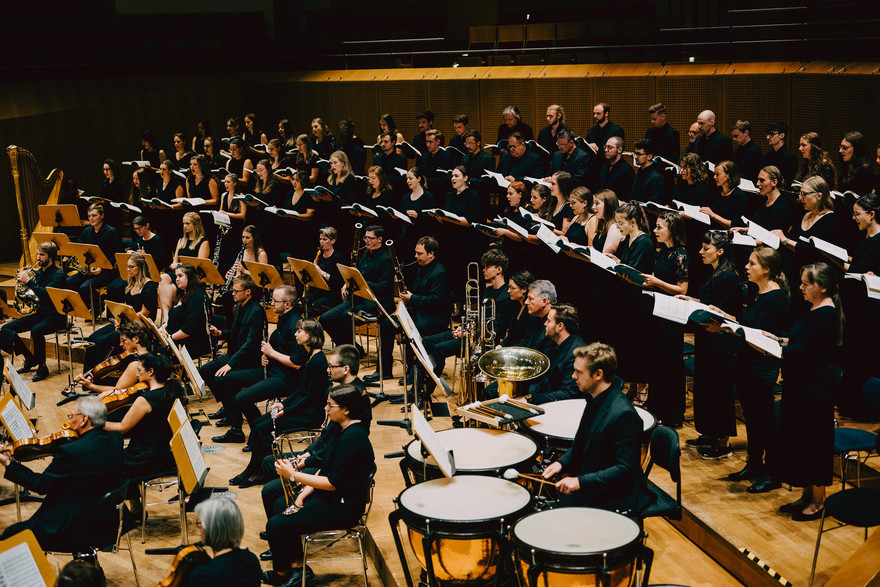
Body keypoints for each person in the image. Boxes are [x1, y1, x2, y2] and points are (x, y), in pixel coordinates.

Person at [263, 384, 374, 587]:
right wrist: (303, 495)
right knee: (280, 504)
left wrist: (294, 475)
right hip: (332, 497)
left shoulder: (353, 438)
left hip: (344, 507)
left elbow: (332, 483)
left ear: (346, 409)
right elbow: (325, 469)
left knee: (275, 524)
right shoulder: (343, 430)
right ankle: (297, 567)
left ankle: (282, 574)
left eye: (330, 405)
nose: (325, 408)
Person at [707, 247, 789, 493]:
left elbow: (757, 334)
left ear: (766, 269)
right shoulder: (758, 292)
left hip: (762, 366)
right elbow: (749, 324)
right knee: (752, 419)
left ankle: (773, 473)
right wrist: (724, 316)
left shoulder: (776, 297)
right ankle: (754, 464)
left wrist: (724, 327)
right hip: (746, 363)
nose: (746, 267)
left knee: (765, 421)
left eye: (752, 264)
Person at [541, 343, 654, 514]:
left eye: (579, 372)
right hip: (594, 483)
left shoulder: (623, 415)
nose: (573, 376)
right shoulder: (594, 398)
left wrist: (580, 482)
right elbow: (581, 444)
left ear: (598, 374)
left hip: (617, 495)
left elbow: (624, 469)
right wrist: (560, 463)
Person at [0, 396, 124, 552]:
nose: (69, 422)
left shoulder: (71, 452)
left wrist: (7, 463)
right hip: (107, 524)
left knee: (11, 535)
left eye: (71, 417)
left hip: (72, 528)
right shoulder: (116, 439)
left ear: (84, 419)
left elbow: (40, 485)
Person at [775, 262, 842, 521]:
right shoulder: (814, 309)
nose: (800, 287)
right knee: (801, 441)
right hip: (801, 386)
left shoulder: (826, 314)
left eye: (806, 283)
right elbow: (799, 341)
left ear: (822, 286)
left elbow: (805, 352)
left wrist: (775, 350)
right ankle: (806, 495)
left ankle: (818, 501)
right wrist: (776, 340)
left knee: (814, 443)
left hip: (814, 391)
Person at [232, 320, 329, 487]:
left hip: (310, 414)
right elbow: (300, 390)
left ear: (310, 336)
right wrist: (283, 405)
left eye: (300, 331)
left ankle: (261, 471)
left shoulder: (318, 361)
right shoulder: (310, 356)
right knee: (257, 423)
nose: (295, 334)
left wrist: (288, 410)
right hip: (302, 408)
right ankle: (257, 469)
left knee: (262, 428)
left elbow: (310, 397)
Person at [217, 285, 306, 449]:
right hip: (274, 371)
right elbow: (279, 351)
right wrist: (267, 358)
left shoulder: (295, 324)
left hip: (287, 378)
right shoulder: (283, 319)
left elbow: (297, 362)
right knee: (228, 379)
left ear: (287, 304)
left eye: (275, 300)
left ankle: (258, 434)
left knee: (242, 398)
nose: (271, 303)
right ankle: (237, 430)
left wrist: (272, 354)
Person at [683, 231, 742, 459]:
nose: (700, 252)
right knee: (706, 384)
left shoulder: (728, 277)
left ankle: (723, 441)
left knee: (719, 387)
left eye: (706, 248)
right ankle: (708, 432)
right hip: (707, 336)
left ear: (720, 251)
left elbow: (722, 312)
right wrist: (691, 301)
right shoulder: (715, 272)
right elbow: (710, 304)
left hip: (721, 340)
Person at [104, 353, 181, 512]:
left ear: (150, 372)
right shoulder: (173, 390)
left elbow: (123, 427)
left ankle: (123, 514)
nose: (137, 373)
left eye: (139, 370)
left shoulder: (145, 400)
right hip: (164, 451)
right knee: (117, 458)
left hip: (144, 457)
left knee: (106, 466)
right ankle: (136, 507)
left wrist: (95, 423)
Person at [319, 225, 394, 381]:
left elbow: (384, 288)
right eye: (365, 237)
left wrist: (363, 282)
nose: (365, 241)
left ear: (379, 240)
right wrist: (347, 283)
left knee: (345, 319)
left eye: (369, 238)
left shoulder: (387, 259)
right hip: (357, 299)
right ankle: (353, 349)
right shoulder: (365, 253)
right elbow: (355, 273)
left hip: (374, 303)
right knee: (326, 319)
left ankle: (350, 356)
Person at [202, 275, 267, 443]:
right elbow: (235, 334)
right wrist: (220, 333)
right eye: (233, 290)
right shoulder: (238, 307)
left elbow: (251, 344)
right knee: (206, 370)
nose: (233, 294)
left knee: (224, 378)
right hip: (237, 355)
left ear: (248, 292)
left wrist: (231, 364)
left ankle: (236, 427)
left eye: (236, 291)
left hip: (249, 360)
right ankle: (228, 409)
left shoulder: (257, 312)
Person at [771, 176, 842, 322]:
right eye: (800, 193)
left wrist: (785, 239)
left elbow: (812, 250)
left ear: (819, 196)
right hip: (795, 272)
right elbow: (790, 241)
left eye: (804, 194)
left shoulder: (831, 220)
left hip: (814, 280)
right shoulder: (804, 215)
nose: (800, 198)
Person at [642, 212, 689, 427]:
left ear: (671, 230)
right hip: (658, 310)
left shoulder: (680, 254)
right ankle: (657, 408)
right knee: (657, 359)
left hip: (672, 314)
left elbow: (682, 288)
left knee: (671, 362)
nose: (655, 230)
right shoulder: (663, 252)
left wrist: (656, 282)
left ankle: (673, 413)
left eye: (660, 227)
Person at [838, 193, 880, 416]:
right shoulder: (865, 239)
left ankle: (862, 406)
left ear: (871, 215)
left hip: (871, 311)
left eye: (857, 214)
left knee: (864, 355)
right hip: (857, 305)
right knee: (853, 353)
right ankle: (848, 401)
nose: (854, 218)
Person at [0, 242, 66, 382]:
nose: (38, 257)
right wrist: (23, 286)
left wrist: (29, 281)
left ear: (51, 257)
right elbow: (32, 293)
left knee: (36, 330)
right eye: (37, 254)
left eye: (42, 255)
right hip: (40, 314)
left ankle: (42, 367)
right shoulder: (37, 273)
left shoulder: (58, 275)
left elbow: (46, 295)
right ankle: (29, 358)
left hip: (56, 316)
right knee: (6, 329)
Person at [189, 497, 262, 586]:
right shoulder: (251, 560)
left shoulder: (203, 576)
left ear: (212, 529)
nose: (198, 527)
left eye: (200, 523)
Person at [66, 203, 124, 311]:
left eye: (94, 215)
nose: (91, 219)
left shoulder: (112, 232)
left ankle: (97, 307)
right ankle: (92, 305)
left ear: (102, 216)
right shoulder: (86, 231)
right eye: (89, 216)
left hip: (107, 271)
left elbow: (118, 254)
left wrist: (101, 268)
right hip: (89, 269)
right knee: (68, 282)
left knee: (84, 287)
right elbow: (79, 249)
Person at [75, 321, 151, 396]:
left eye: (123, 341)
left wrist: (90, 386)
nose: (120, 344)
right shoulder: (148, 352)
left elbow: (117, 390)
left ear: (136, 339)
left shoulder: (135, 365)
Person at [529, 304, 585, 404]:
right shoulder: (552, 342)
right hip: (546, 392)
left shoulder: (576, 354)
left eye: (549, 321)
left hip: (560, 405)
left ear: (560, 326)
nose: (545, 324)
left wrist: (529, 399)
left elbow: (568, 394)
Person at [158, 211, 210, 320]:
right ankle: (166, 318)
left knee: (171, 288)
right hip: (178, 274)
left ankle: (167, 320)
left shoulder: (203, 242)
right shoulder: (181, 240)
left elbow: (199, 265)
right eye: (183, 224)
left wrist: (179, 265)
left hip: (192, 277)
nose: (184, 226)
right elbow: (174, 262)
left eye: (188, 223)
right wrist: (177, 265)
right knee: (163, 278)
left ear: (196, 225)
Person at [161, 263, 211, 358]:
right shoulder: (183, 294)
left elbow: (190, 328)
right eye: (176, 276)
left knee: (156, 355)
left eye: (180, 276)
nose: (177, 279)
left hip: (190, 343)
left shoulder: (198, 297)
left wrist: (170, 338)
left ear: (190, 277)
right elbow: (172, 318)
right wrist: (161, 330)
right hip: (175, 338)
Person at [304, 227, 344, 315]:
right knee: (303, 302)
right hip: (318, 290)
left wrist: (321, 272)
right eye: (320, 239)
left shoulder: (338, 257)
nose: (321, 242)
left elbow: (339, 282)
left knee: (314, 305)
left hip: (331, 293)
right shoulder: (318, 254)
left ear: (333, 241)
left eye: (324, 239)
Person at [701, 160, 747, 229]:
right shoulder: (718, 192)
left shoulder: (739, 195)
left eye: (717, 174)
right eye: (714, 174)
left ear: (728, 175)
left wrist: (712, 215)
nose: (714, 177)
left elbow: (736, 225)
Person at [499, 269, 537, 347]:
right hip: (511, 349)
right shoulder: (516, 305)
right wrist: (500, 346)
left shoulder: (531, 311)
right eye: (508, 287)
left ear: (524, 289)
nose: (508, 291)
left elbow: (526, 342)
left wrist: (504, 351)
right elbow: (510, 336)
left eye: (512, 288)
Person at [630, 139, 668, 204]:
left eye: (639, 154)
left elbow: (653, 205)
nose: (635, 157)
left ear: (649, 156)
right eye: (635, 153)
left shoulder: (657, 178)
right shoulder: (639, 173)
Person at [417, 130, 454, 196]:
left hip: (438, 194)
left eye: (430, 142)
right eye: (426, 141)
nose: (427, 145)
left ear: (438, 142)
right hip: (423, 193)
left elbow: (447, 181)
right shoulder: (424, 156)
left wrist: (427, 181)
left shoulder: (446, 157)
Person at [598, 136, 635, 201]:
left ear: (619, 150)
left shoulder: (627, 170)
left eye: (610, 147)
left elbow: (625, 197)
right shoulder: (604, 168)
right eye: (605, 147)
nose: (606, 150)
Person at [763, 122, 798, 189]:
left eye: (771, 134)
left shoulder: (790, 157)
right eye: (767, 134)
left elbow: (788, 183)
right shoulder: (768, 156)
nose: (768, 137)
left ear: (782, 135)